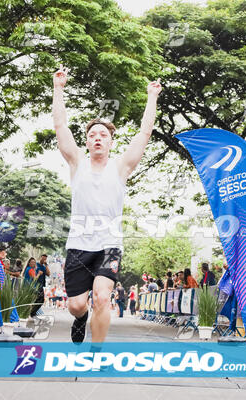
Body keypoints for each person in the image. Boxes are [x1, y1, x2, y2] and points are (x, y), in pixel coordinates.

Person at [53, 64, 162, 344]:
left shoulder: (121, 167)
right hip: (78, 244)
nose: (97, 138)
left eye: (103, 135)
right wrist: (58, 88)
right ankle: (80, 318)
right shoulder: (77, 163)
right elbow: (60, 126)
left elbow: (144, 134)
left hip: (109, 244)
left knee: (102, 297)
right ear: (87, 142)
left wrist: (152, 97)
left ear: (111, 142)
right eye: (92, 135)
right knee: (77, 305)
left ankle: (96, 353)